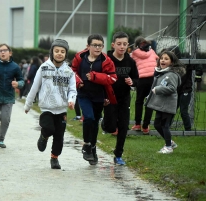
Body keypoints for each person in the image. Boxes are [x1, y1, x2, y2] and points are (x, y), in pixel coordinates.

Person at [24, 39, 77, 169]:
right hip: (47, 107)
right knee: (49, 128)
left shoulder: (69, 72)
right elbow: (35, 87)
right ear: (52, 52)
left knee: (59, 136)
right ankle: (44, 136)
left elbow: (72, 90)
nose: (59, 53)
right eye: (57, 51)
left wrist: (71, 100)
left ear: (66, 54)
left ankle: (54, 158)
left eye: (62, 51)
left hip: (62, 109)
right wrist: (28, 104)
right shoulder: (44, 68)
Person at [71, 34, 117, 165]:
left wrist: (95, 77)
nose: (97, 48)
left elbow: (112, 78)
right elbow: (72, 70)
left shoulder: (106, 60)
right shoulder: (80, 57)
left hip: (99, 95)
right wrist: (78, 82)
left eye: (100, 45)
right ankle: (86, 144)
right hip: (84, 94)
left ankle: (93, 148)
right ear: (88, 46)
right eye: (94, 45)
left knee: (95, 122)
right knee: (89, 118)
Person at [102, 32, 139, 165]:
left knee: (123, 126)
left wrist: (132, 82)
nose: (122, 47)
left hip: (124, 98)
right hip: (109, 98)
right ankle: (105, 124)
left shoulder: (130, 61)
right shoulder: (106, 59)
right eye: (119, 44)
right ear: (113, 45)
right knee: (111, 127)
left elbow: (136, 79)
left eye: (124, 44)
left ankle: (118, 155)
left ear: (128, 45)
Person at [145, 50, 185, 154]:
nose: (163, 60)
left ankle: (168, 147)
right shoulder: (162, 73)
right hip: (161, 106)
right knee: (157, 124)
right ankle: (170, 142)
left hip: (168, 106)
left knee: (164, 126)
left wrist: (158, 89)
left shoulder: (171, 74)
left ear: (171, 62)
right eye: (161, 58)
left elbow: (172, 88)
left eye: (166, 59)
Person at [131, 36, 159, 134]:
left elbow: (131, 62)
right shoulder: (152, 52)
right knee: (149, 102)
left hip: (141, 79)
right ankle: (146, 126)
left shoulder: (134, 54)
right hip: (152, 79)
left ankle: (137, 124)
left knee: (139, 101)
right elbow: (158, 59)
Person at [167, 46, 193, 131]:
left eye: (173, 52)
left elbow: (197, 65)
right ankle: (166, 128)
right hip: (175, 90)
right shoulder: (171, 64)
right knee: (172, 110)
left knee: (183, 111)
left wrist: (199, 74)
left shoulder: (186, 62)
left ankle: (188, 130)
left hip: (186, 90)